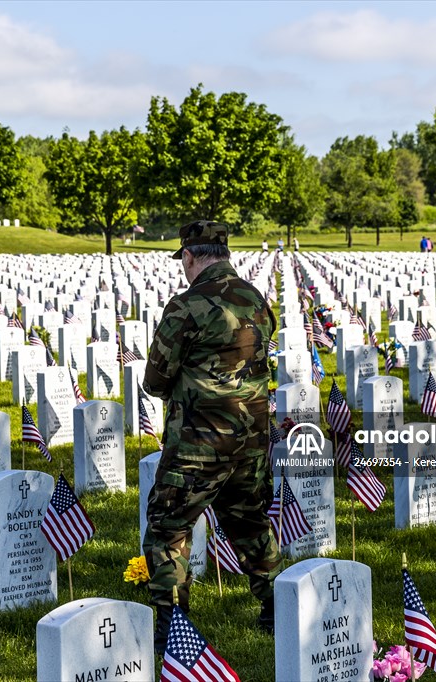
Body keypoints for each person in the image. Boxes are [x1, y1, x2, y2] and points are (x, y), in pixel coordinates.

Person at [143, 220, 282, 654]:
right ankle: (279, 607)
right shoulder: (256, 299)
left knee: (168, 527)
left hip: (200, 442)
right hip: (253, 436)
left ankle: (171, 624)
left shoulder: (187, 305)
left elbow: (155, 377)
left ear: (189, 256)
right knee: (249, 522)